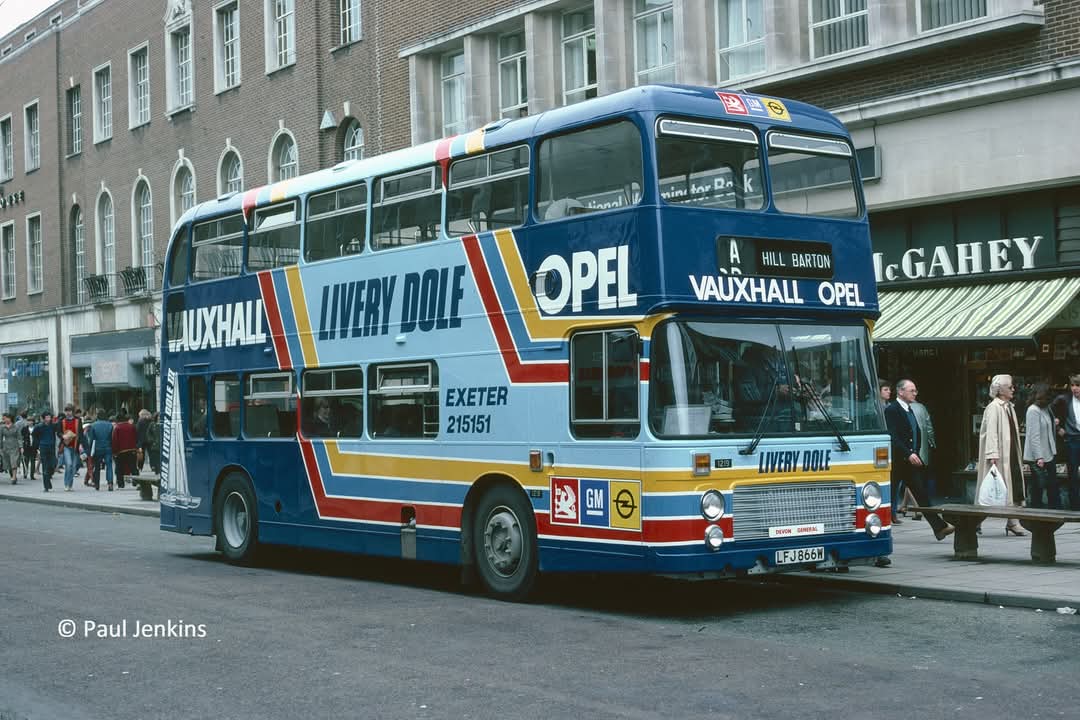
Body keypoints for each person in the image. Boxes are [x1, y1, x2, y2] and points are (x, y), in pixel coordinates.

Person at [883, 379, 955, 559]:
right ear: (900, 392)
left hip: (908, 461)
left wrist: (915, 452)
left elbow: (915, 432)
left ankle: (939, 528)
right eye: (912, 390)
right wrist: (908, 453)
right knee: (887, 497)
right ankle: (880, 534)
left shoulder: (910, 409)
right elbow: (892, 435)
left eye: (915, 390)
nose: (915, 393)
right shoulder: (892, 410)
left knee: (921, 493)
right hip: (898, 461)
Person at [975, 374, 1026, 535]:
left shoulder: (1008, 406)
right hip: (999, 455)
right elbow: (991, 433)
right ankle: (975, 520)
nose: (1013, 389)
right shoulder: (994, 407)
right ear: (1000, 389)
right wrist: (992, 453)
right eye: (1010, 387)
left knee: (1012, 486)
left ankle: (1012, 521)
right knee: (992, 488)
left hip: (1009, 452)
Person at [1024, 382, 1059, 509]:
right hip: (1038, 456)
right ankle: (1037, 510)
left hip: (1048, 453)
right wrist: (1039, 457)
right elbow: (1034, 436)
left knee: (1050, 485)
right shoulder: (1033, 410)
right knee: (1039, 486)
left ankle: (1052, 510)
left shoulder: (1046, 408)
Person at [1050, 374, 1080, 510]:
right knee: (1072, 473)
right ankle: (1074, 505)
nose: (1075, 388)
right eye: (1073, 385)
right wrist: (1058, 428)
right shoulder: (1064, 399)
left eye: (1078, 385)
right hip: (1072, 439)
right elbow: (1049, 410)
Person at [58, 403, 85, 492]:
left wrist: (81, 445)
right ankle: (66, 484)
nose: (68, 413)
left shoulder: (78, 420)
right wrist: (63, 436)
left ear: (72, 411)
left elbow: (81, 434)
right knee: (68, 464)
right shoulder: (62, 421)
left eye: (69, 411)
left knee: (73, 467)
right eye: (66, 411)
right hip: (66, 446)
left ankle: (70, 484)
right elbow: (59, 432)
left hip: (75, 446)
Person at [86, 408, 115, 491]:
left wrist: (90, 450)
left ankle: (97, 483)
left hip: (97, 448)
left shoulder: (93, 425)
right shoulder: (110, 425)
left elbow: (91, 439)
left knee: (97, 466)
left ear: (97, 416)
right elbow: (111, 438)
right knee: (109, 465)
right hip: (108, 447)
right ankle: (110, 483)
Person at [32, 411, 59, 488]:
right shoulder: (38, 427)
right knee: (45, 465)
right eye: (47, 417)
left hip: (52, 447)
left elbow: (59, 430)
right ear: (43, 418)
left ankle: (49, 476)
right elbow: (35, 436)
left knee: (54, 463)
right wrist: (36, 447)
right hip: (43, 447)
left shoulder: (53, 426)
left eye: (49, 417)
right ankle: (46, 485)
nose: (48, 419)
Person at [112, 412, 138, 489]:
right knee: (133, 467)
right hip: (132, 450)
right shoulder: (132, 426)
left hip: (121, 451)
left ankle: (121, 484)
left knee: (119, 468)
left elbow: (115, 440)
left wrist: (114, 452)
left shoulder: (117, 428)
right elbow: (136, 437)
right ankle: (136, 482)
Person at [0, 414, 22, 485]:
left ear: (10, 418)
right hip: (5, 447)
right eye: (4, 419)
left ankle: (14, 477)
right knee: (8, 463)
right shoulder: (2, 427)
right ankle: (12, 476)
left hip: (15, 446)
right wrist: (0, 447)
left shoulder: (15, 427)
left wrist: (21, 447)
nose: (5, 420)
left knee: (14, 462)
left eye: (6, 418)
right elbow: (0, 438)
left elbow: (19, 437)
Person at [20, 415, 37, 483]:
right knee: (26, 460)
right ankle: (25, 473)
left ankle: (32, 475)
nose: (29, 422)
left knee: (33, 461)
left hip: (33, 446)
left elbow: (38, 437)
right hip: (26, 446)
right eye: (28, 421)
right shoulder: (24, 428)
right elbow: (21, 437)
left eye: (31, 421)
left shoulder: (36, 428)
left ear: (33, 422)